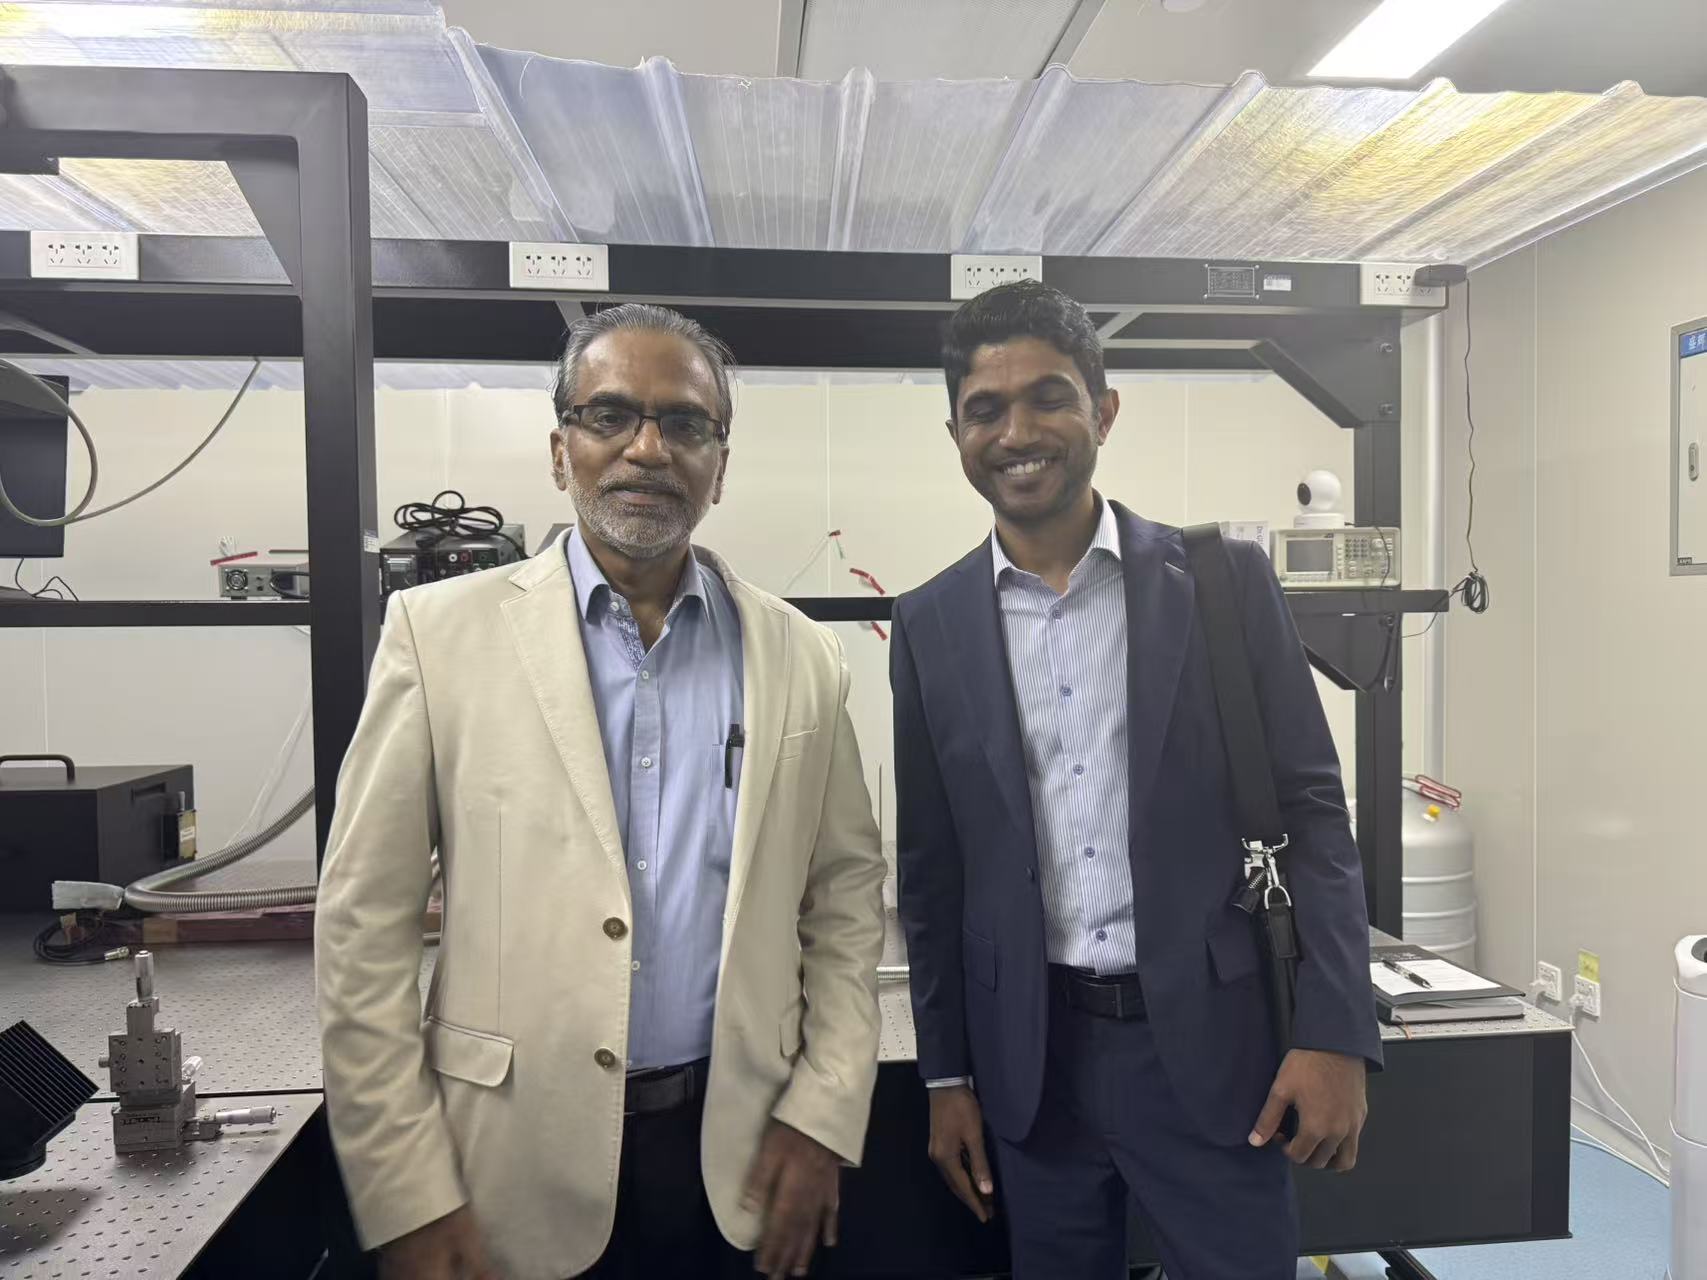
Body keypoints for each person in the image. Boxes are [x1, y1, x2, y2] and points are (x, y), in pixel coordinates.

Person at [317, 303, 887, 1280]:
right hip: (506, 1170)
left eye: (686, 423)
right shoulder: (436, 637)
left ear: (720, 464)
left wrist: (825, 1111)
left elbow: (844, 900)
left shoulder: (802, 655)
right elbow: (362, 931)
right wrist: (404, 1190)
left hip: (740, 1161)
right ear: (559, 450)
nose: (648, 449)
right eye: (610, 414)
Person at [891, 280, 1381, 1279]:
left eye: (1049, 398)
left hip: (1211, 1049)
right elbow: (933, 873)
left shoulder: (1222, 582)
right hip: (1033, 1065)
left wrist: (1337, 1029)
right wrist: (945, 1075)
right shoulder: (929, 622)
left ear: (1104, 411)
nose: (1017, 432)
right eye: (985, 409)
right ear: (955, 434)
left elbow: (1312, 814)